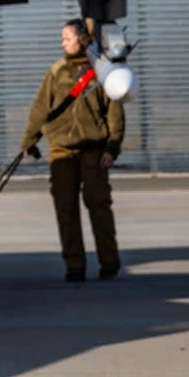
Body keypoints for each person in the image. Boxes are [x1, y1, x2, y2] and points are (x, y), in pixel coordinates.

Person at [21, 18, 124, 283]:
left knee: (99, 206)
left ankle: (109, 261)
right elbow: (40, 108)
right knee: (66, 209)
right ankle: (74, 265)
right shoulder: (56, 71)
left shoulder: (102, 72)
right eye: (62, 39)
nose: (62, 43)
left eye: (67, 38)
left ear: (82, 39)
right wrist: (28, 142)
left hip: (94, 150)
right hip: (61, 150)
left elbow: (114, 112)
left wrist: (112, 148)